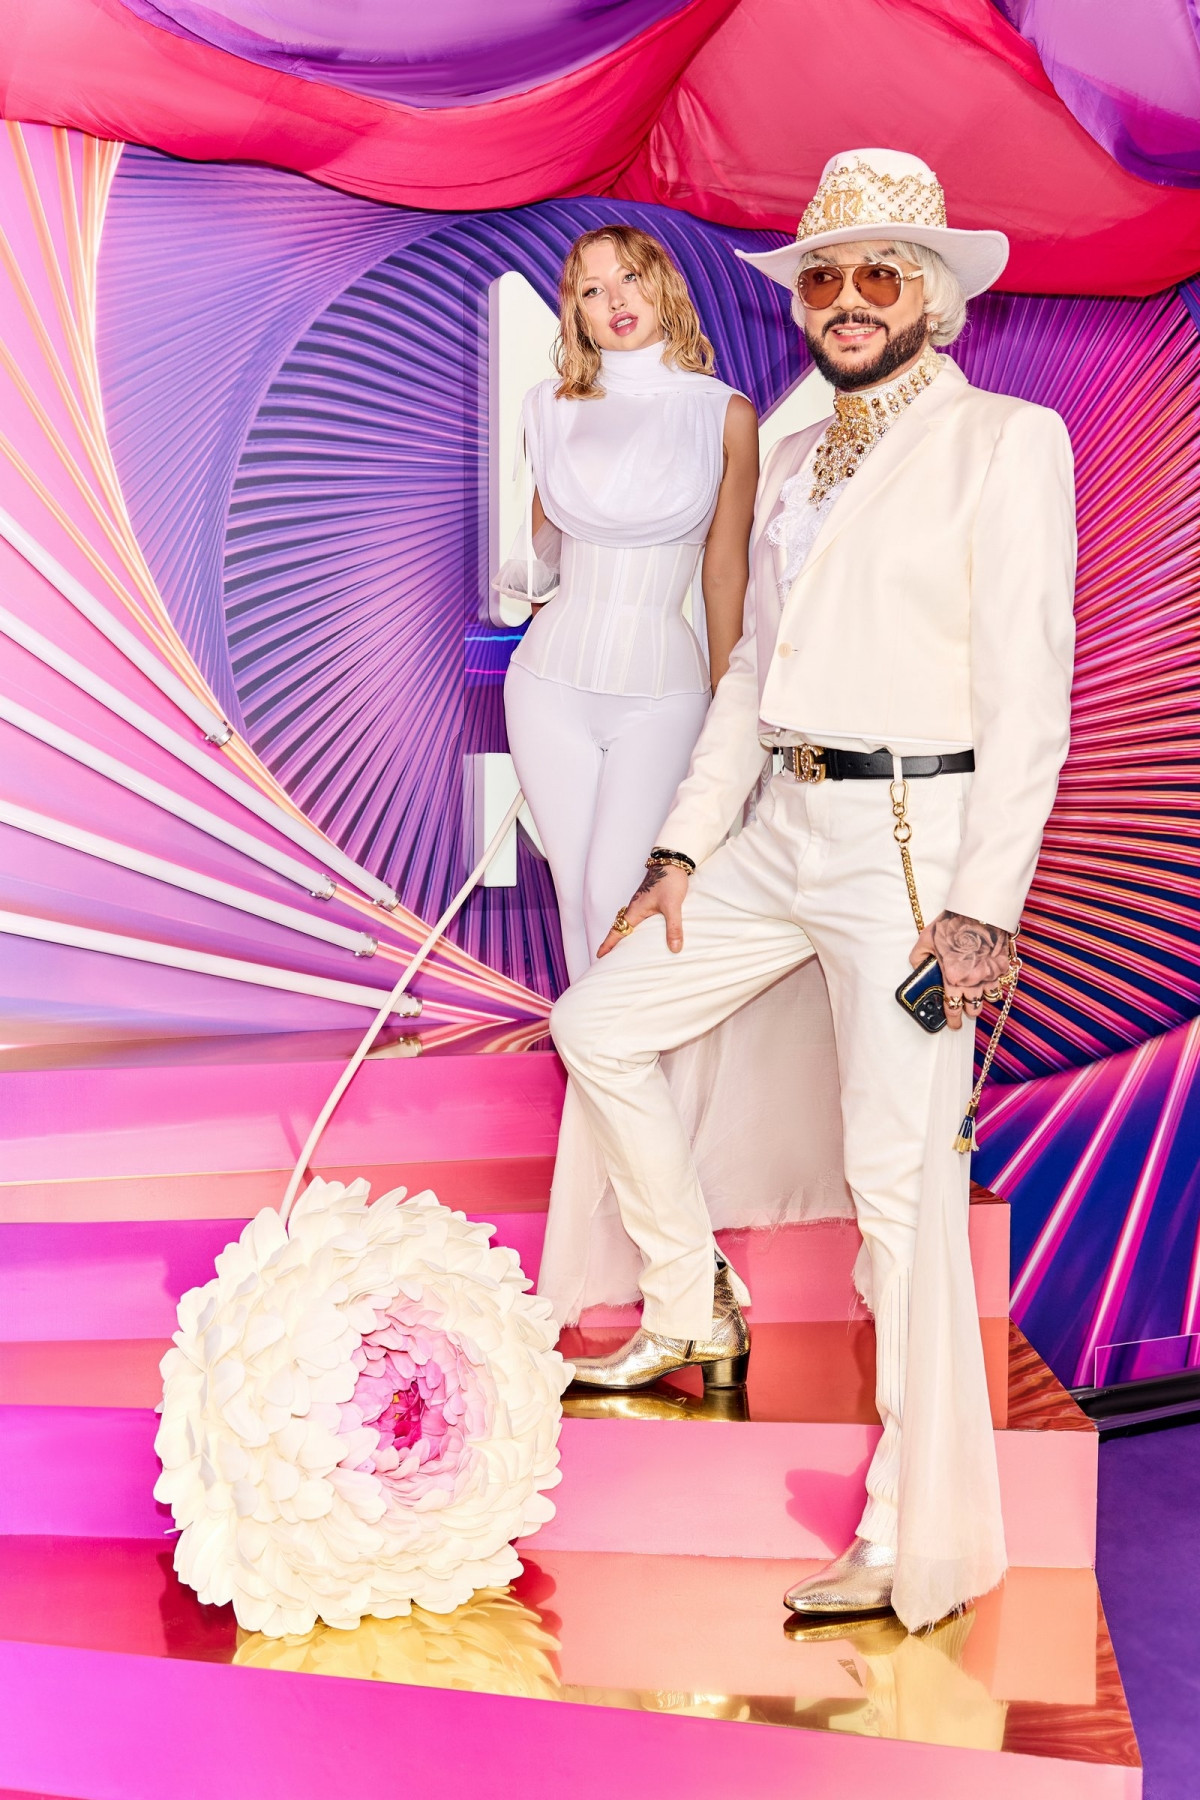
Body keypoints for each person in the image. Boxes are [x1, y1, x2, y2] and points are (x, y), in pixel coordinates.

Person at [545, 149, 1077, 1633]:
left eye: (880, 274)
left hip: (914, 846)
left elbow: (1032, 696)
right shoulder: (789, 461)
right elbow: (744, 681)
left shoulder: (1004, 443)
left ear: (935, 298)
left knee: (897, 1189)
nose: (848, 299)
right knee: (599, 1024)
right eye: (825, 277)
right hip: (779, 824)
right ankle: (686, 1300)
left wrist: (984, 906)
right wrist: (680, 852)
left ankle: (916, 1535)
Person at [497, 225, 759, 983]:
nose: (615, 298)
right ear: (576, 312)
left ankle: (616, 1049)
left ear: (662, 285)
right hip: (547, 684)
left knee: (615, 894)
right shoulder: (548, 407)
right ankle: (588, 1058)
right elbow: (543, 553)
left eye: (630, 278)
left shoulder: (724, 413)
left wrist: (728, 705)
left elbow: (724, 574)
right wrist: (527, 581)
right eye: (592, 289)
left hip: (662, 694)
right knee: (573, 898)